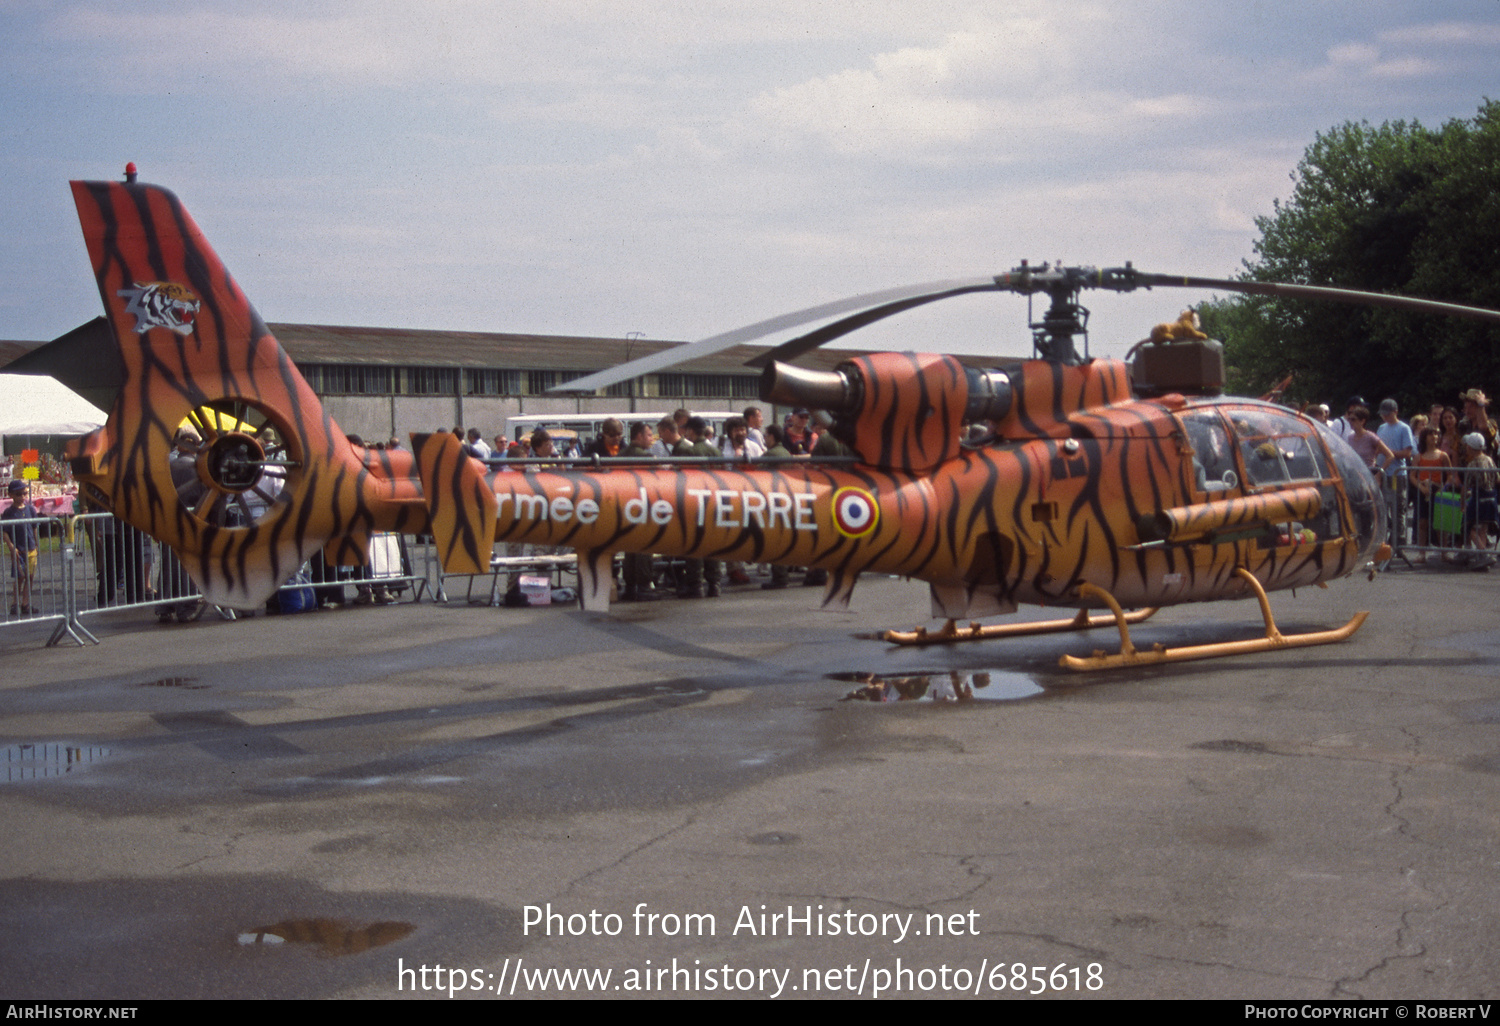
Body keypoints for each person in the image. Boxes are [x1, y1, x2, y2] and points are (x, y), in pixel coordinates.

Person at [1410, 426, 1452, 563]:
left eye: (1436, 434)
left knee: (1440, 523)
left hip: (1438, 491)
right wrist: (1420, 487)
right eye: (1431, 434)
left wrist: (1443, 488)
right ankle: (1421, 553)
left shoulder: (1443, 455)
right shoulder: (1419, 456)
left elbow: (1450, 475)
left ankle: (1444, 552)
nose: (1434, 437)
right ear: (1424, 437)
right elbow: (1412, 476)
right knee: (1423, 522)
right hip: (1424, 490)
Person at [1459, 432, 1499, 566]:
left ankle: (1483, 553)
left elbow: (1466, 486)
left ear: (1469, 447)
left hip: (1478, 499)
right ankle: (1480, 557)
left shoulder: (1472, 465)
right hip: (1491, 497)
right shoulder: (1489, 460)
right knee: (1483, 528)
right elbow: (1497, 478)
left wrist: (1463, 502)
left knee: (1469, 527)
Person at [2, 480, 38, 615]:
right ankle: (14, 603)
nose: (22, 497)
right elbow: (5, 531)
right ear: (11, 495)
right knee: (20, 577)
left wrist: (36, 544)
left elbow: (34, 527)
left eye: (24, 493)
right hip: (18, 550)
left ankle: (25, 603)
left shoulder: (30, 509)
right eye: (18, 494)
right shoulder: (9, 512)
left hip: (30, 549)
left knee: (30, 577)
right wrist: (11, 546)